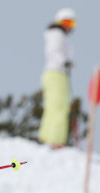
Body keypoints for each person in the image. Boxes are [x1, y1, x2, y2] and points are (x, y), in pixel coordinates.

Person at [38, 7, 76, 147]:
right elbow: (54, 51)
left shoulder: (57, 35)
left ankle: (47, 137)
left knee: (53, 106)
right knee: (59, 107)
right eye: (66, 22)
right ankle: (56, 140)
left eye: (71, 24)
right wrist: (64, 62)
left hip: (55, 73)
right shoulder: (56, 34)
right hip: (57, 73)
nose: (69, 26)